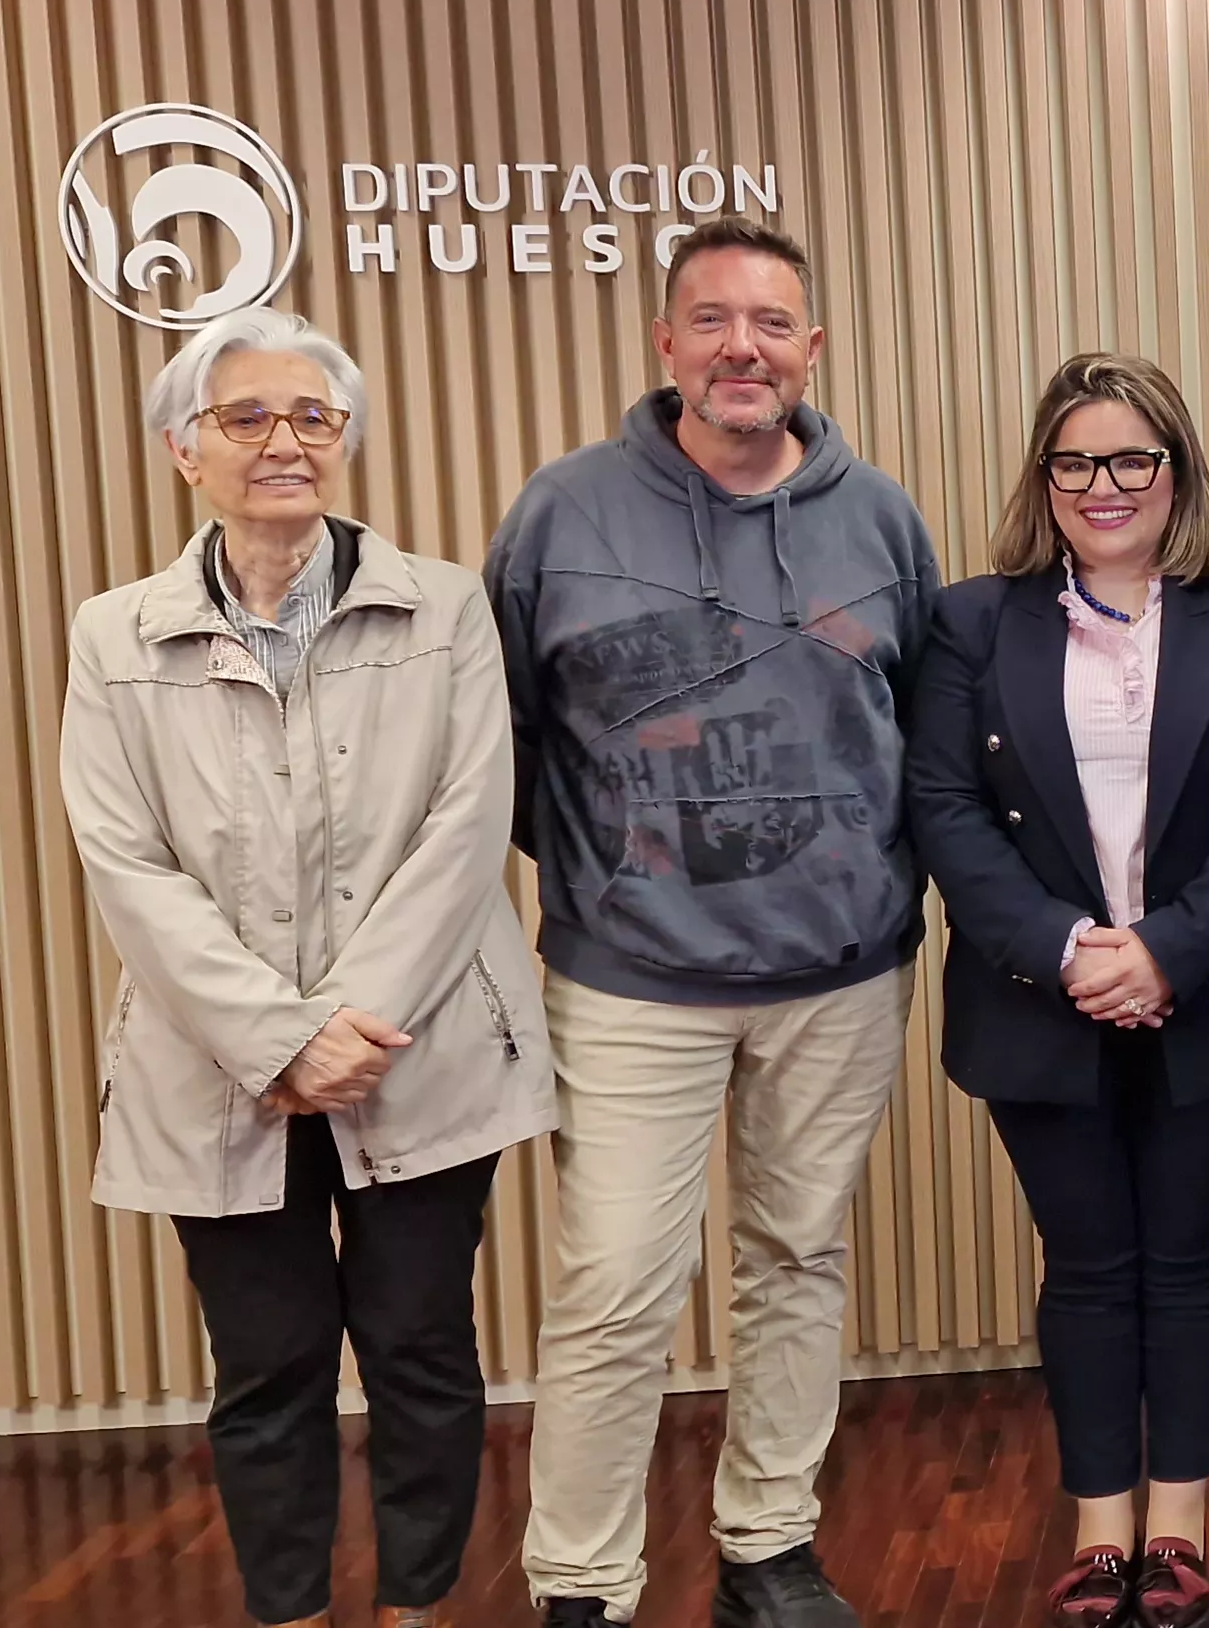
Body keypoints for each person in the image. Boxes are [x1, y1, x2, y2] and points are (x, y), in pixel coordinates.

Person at [59, 307, 555, 1628]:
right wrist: (279, 1040)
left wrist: (347, 1026)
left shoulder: (444, 606)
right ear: (186, 450)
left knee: (420, 1346)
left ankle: (416, 1608)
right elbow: (125, 861)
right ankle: (288, 1611)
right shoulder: (114, 635)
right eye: (248, 417)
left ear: (344, 440)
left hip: (418, 1049)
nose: (285, 441)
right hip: (216, 1070)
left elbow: (468, 828)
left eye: (313, 417)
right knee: (267, 1364)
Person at [489, 218, 943, 1628]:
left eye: (771, 323)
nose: (742, 348)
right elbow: (505, 741)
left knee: (796, 1262)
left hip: (841, 975)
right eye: (711, 320)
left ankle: (769, 1548)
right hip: (634, 980)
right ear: (665, 342)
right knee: (617, 1284)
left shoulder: (882, 520)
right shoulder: (562, 513)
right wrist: (619, 874)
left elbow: (927, 734)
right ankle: (581, 1584)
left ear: (813, 348)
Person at [904, 353, 1209, 1628]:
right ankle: (1100, 1532)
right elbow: (944, 807)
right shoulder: (974, 621)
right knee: (1082, 1266)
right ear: (1044, 477)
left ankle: (1177, 1524)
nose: (1103, 484)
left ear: (1175, 470)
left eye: (1132, 457)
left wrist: (1170, 948)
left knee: (1187, 1257)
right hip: (1038, 995)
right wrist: (1069, 948)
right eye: (1074, 460)